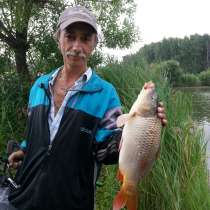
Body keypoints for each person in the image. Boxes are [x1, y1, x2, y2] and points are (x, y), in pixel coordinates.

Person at [7, 5, 167, 210]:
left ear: (94, 44)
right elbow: (36, 133)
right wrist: (24, 149)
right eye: (70, 36)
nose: (76, 46)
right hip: (24, 197)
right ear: (58, 38)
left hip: (72, 201)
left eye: (85, 39)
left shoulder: (105, 93)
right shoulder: (39, 86)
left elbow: (106, 149)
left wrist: (145, 131)